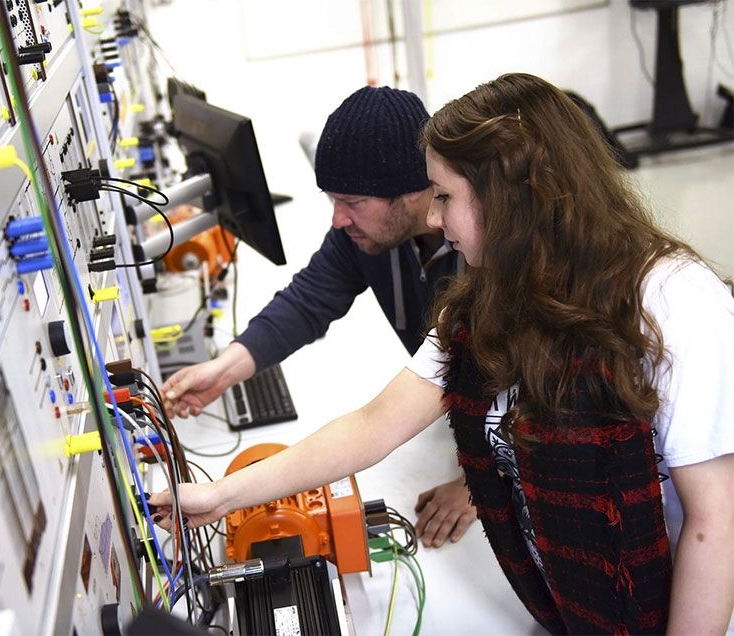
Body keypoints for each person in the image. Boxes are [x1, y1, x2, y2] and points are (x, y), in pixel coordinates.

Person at [150, 73, 734, 634]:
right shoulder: (489, 297)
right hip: (568, 598)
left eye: (446, 196)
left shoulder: (672, 299)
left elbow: (715, 522)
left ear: (512, 200)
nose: (433, 215)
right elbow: (373, 425)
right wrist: (220, 496)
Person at [160, 85, 477, 548]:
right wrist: (225, 368)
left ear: (414, 192)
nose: (338, 220)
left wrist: (477, 485)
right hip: (450, 410)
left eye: (352, 203)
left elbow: (546, 389)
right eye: (333, 201)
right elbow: (310, 298)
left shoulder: (484, 255)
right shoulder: (369, 236)